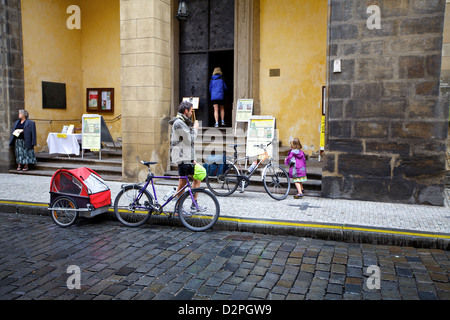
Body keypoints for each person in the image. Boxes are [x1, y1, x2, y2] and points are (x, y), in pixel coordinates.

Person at [169, 101, 205, 212]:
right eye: (190, 111)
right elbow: (190, 139)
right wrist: (195, 129)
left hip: (185, 156)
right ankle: (185, 206)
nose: (191, 113)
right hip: (182, 157)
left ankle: (185, 206)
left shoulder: (181, 122)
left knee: (187, 180)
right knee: (190, 180)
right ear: (186, 111)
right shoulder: (179, 123)